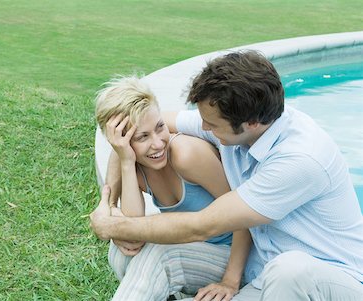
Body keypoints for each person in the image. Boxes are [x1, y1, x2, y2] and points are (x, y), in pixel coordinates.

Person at [91, 51, 363, 301]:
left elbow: (202, 225)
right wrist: (109, 202)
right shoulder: (234, 120)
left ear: (251, 123)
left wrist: (111, 226)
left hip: (330, 280)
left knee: (290, 269)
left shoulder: (300, 159)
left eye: (212, 124)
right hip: (262, 274)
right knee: (276, 270)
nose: (203, 128)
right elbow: (134, 133)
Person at [94, 76, 252, 300]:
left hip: (232, 255)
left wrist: (230, 281)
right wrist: (127, 162)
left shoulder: (186, 155)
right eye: (142, 137)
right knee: (122, 252)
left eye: (160, 127)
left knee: (159, 254)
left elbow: (243, 215)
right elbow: (133, 231)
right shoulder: (134, 164)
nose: (158, 143)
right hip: (191, 245)